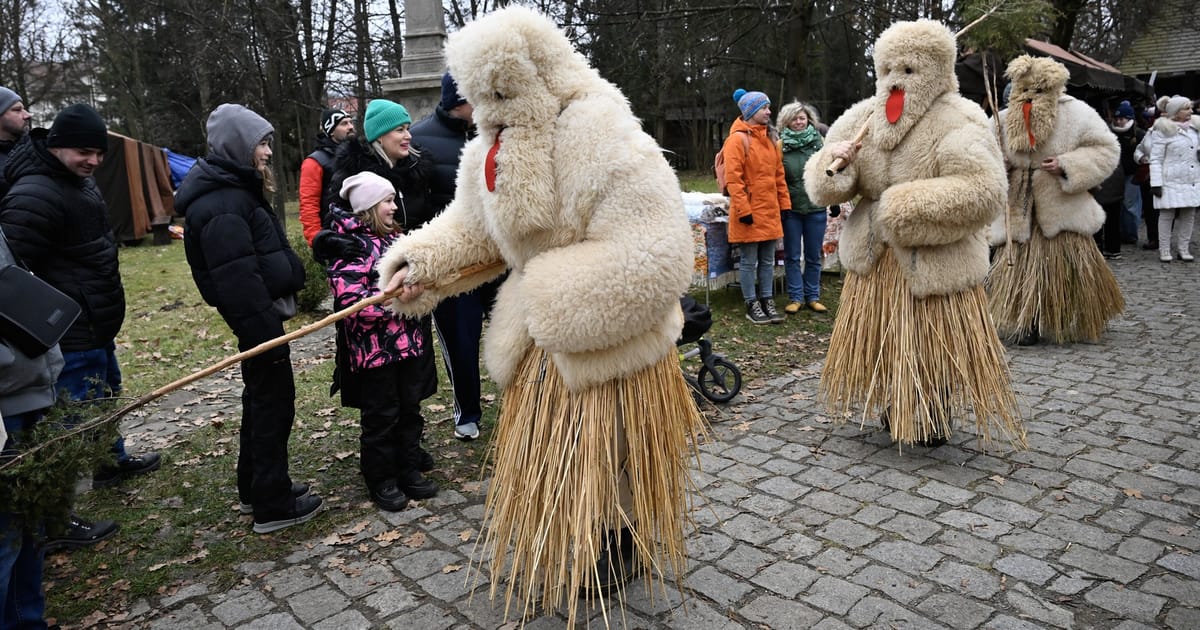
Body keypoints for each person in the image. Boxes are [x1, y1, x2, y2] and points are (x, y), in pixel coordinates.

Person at [376, 7, 703, 625]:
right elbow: (474, 229)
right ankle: (576, 538)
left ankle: (615, 544)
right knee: (567, 462)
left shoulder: (603, 132)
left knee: (615, 456)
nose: (488, 114)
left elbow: (657, 253)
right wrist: (419, 265)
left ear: (540, 74)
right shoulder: (490, 150)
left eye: (500, 94)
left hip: (605, 341)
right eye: (479, 99)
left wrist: (547, 294)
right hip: (539, 350)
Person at [804, 19, 1023, 449]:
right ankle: (893, 402)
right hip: (875, 262)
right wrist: (836, 162)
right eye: (886, 71)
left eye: (908, 70)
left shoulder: (960, 118)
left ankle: (933, 408)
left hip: (934, 263)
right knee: (884, 340)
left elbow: (985, 190)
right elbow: (825, 184)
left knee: (932, 346)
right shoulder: (862, 117)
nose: (894, 82)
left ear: (938, 72)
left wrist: (904, 207)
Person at [0, 103, 160, 551]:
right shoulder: (34, 193)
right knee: (67, 423)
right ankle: (56, 520)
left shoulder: (76, 182)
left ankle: (111, 461)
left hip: (94, 319)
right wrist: (52, 315)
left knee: (104, 393)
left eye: (98, 152)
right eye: (82, 151)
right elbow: (13, 273)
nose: (92, 160)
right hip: (66, 330)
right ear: (55, 146)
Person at [175, 103, 321, 534]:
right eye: (261, 143)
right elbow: (237, 281)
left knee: (262, 402)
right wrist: (266, 339)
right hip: (259, 326)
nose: (268, 152)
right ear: (238, 145)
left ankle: (256, 487)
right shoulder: (221, 205)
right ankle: (272, 504)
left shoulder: (234, 191)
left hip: (262, 322)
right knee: (272, 405)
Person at [320, 98, 437, 472]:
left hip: (412, 290)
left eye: (407, 128)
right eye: (399, 129)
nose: (407, 135)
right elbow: (334, 216)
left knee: (411, 389)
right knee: (381, 398)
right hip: (374, 307)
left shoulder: (417, 168)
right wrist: (326, 243)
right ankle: (384, 465)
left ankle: (408, 453)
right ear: (377, 136)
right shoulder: (354, 174)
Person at [987, 55, 1123, 346]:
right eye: (1024, 90)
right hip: (1018, 207)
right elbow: (979, 154)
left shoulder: (1077, 113)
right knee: (1020, 267)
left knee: (1067, 266)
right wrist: (999, 164)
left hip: (1061, 207)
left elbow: (1106, 149)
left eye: (1038, 90)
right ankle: (1026, 320)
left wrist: (1067, 164)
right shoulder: (1000, 119)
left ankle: (1079, 314)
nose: (1030, 97)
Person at [325, 172, 436, 511]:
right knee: (381, 415)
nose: (393, 206)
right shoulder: (349, 247)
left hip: (408, 345)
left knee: (409, 409)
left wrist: (417, 290)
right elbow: (349, 301)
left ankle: (408, 468)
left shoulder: (396, 240)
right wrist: (394, 300)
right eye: (387, 201)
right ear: (369, 207)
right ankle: (381, 478)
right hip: (375, 353)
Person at [410, 72, 496, 441]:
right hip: (453, 265)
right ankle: (467, 412)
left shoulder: (492, 132)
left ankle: (527, 404)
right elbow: (416, 207)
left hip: (496, 258)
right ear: (460, 100)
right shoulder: (419, 139)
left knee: (512, 331)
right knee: (461, 340)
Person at [0, 224, 64, 630]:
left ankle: (28, 621)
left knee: (29, 521)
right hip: (6, 399)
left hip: (27, 386)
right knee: (5, 532)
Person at [723, 88, 789, 325]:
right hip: (749, 213)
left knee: (768, 260)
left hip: (770, 211)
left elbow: (778, 175)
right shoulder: (737, 140)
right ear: (750, 111)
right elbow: (734, 179)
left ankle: (767, 299)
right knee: (750, 261)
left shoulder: (771, 139)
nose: (769, 112)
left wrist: (785, 204)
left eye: (768, 107)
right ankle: (751, 302)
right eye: (764, 108)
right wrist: (744, 211)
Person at [777, 101, 829, 314]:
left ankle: (813, 296)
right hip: (792, 210)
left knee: (813, 255)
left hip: (815, 207)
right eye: (794, 119)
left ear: (809, 120)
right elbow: (777, 177)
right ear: (786, 122)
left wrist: (832, 201)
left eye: (802, 118)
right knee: (791, 255)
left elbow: (828, 173)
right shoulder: (780, 146)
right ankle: (796, 297)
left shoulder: (820, 142)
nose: (798, 122)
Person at [1146, 95, 1200, 262]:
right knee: (1166, 215)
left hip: (1191, 179)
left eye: (1190, 107)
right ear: (1176, 112)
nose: (1191, 111)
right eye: (1186, 108)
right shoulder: (1162, 130)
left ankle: (1183, 249)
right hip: (1170, 180)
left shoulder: (1195, 128)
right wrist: (1156, 183)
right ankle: (1164, 249)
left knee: (1189, 214)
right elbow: (1155, 158)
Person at [298, 108, 356, 249]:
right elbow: (308, 204)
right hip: (334, 235)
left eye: (350, 122)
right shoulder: (314, 162)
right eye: (344, 123)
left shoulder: (356, 156)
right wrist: (317, 239)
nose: (350, 127)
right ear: (330, 130)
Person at [1111, 101, 1146, 246]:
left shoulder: (1138, 134)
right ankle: (1120, 232)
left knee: (1130, 204)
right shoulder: (1111, 133)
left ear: (1129, 118)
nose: (1119, 122)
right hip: (1115, 173)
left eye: (1122, 119)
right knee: (1117, 205)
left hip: (1132, 174)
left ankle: (1131, 234)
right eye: (1117, 119)